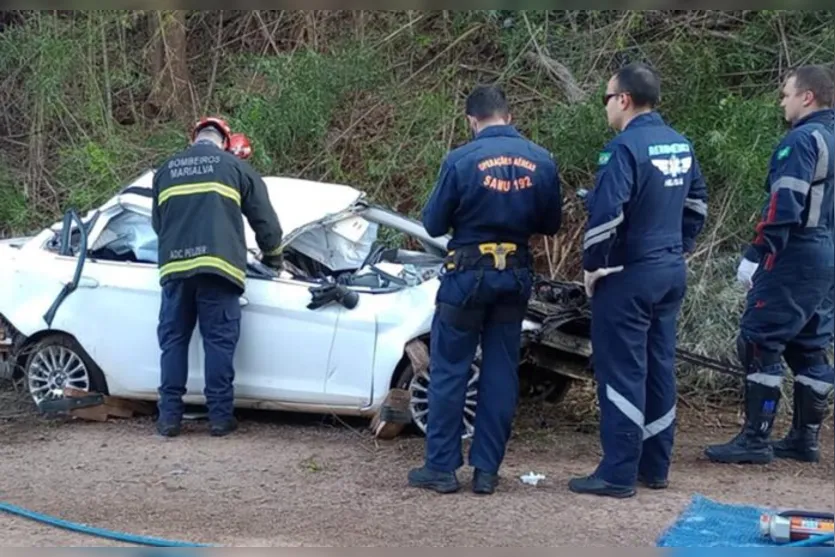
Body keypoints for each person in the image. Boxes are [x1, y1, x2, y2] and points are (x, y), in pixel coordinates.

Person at [407, 84, 563, 495]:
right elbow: (550, 223)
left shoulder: (460, 160)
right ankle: (487, 472)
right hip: (514, 277)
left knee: (450, 369)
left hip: (466, 277)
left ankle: (441, 468)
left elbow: (434, 224)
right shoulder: (541, 160)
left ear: (471, 121)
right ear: (509, 117)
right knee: (500, 371)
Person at [569, 62, 709, 498]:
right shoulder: (681, 144)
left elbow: (606, 215)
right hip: (669, 270)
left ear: (624, 99)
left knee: (622, 370)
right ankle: (655, 466)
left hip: (628, 274)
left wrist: (593, 264)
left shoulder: (623, 149)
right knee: (659, 366)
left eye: (607, 98)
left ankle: (617, 473)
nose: (606, 106)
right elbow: (698, 203)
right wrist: (679, 246)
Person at [705, 64, 835, 465]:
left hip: (795, 252)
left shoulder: (801, 141)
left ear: (806, 97)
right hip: (827, 254)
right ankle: (804, 439)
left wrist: (757, 253)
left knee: (760, 339)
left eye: (786, 94)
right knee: (810, 345)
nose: (782, 101)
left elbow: (784, 204)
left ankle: (756, 438)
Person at [151, 116, 284, 438]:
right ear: (225, 141)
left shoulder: (166, 170)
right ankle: (220, 418)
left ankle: (169, 419)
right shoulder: (235, 167)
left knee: (174, 343)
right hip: (219, 270)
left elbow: (158, 223)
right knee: (219, 344)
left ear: (193, 137)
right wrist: (273, 258)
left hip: (175, 271)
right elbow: (265, 221)